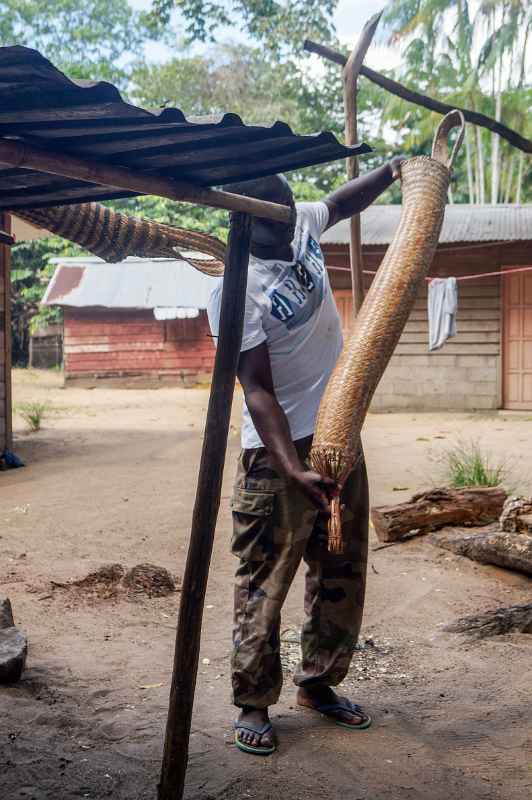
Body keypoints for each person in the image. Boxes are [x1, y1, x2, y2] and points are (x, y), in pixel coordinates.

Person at [207, 159, 405, 755]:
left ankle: (319, 682)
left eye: (294, 208)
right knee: (265, 579)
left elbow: (341, 204)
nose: (296, 221)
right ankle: (252, 700)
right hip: (276, 454)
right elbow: (257, 387)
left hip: (338, 431)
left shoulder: (295, 224)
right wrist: (291, 467)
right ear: (250, 222)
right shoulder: (234, 287)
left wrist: (393, 170)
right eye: (281, 214)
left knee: (339, 563)